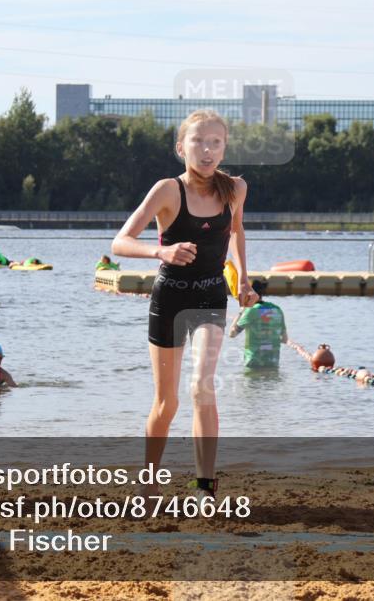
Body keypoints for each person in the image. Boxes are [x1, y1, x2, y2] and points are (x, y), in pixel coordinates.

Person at [112, 109, 257, 499]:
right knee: (167, 402)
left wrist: (243, 278)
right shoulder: (167, 191)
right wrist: (161, 252)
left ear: (224, 148)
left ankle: (204, 486)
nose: (207, 150)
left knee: (202, 386)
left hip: (211, 294)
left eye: (215, 143)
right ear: (181, 147)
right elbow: (120, 242)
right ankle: (149, 482)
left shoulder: (235, 189)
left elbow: (237, 232)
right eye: (198, 142)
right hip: (170, 298)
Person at [229, 280, 288, 369]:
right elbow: (284, 339)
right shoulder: (277, 309)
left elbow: (232, 334)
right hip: (273, 362)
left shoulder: (251, 310)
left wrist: (241, 311)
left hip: (254, 363)